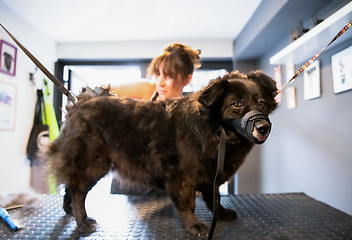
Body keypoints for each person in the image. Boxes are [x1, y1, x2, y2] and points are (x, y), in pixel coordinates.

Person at [110, 43, 201, 194]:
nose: (161, 82)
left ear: (187, 79)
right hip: (127, 184)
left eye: (169, 76)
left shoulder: (189, 114)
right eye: (157, 74)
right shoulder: (148, 90)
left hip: (161, 190)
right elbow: (105, 91)